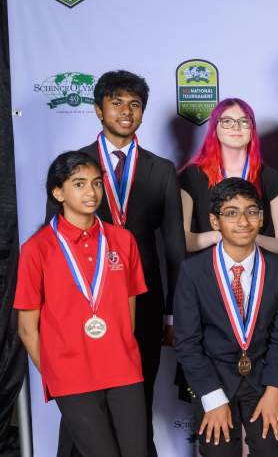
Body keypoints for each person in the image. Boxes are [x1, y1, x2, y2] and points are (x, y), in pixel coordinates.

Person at [44, 70, 186, 457]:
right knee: (82, 401)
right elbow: (52, 242)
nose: (126, 112)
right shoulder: (74, 166)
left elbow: (174, 247)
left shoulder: (162, 169)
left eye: (134, 105)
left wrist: (172, 314)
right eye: (117, 103)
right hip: (82, 303)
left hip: (143, 298)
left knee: (136, 393)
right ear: (98, 109)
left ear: (142, 113)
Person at [18, 151, 148, 457]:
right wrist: (56, 375)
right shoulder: (37, 249)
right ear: (58, 192)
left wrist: (120, 351)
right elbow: (27, 329)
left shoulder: (123, 240)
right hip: (71, 377)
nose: (91, 192)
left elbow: (128, 317)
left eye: (97, 183)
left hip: (124, 371)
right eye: (79, 184)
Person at [173, 178, 278, 457]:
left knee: (269, 450)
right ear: (215, 222)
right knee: (219, 452)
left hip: (262, 378)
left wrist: (275, 389)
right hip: (212, 378)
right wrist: (213, 400)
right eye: (231, 213)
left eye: (251, 211)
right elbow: (187, 344)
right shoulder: (193, 271)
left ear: (262, 217)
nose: (243, 221)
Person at [180, 98, 278, 256]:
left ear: (252, 128)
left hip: (257, 270)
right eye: (227, 121)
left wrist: (249, 238)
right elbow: (181, 239)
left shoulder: (269, 176)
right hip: (209, 271)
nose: (236, 127)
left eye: (244, 121)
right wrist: (220, 236)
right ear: (214, 128)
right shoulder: (192, 175)